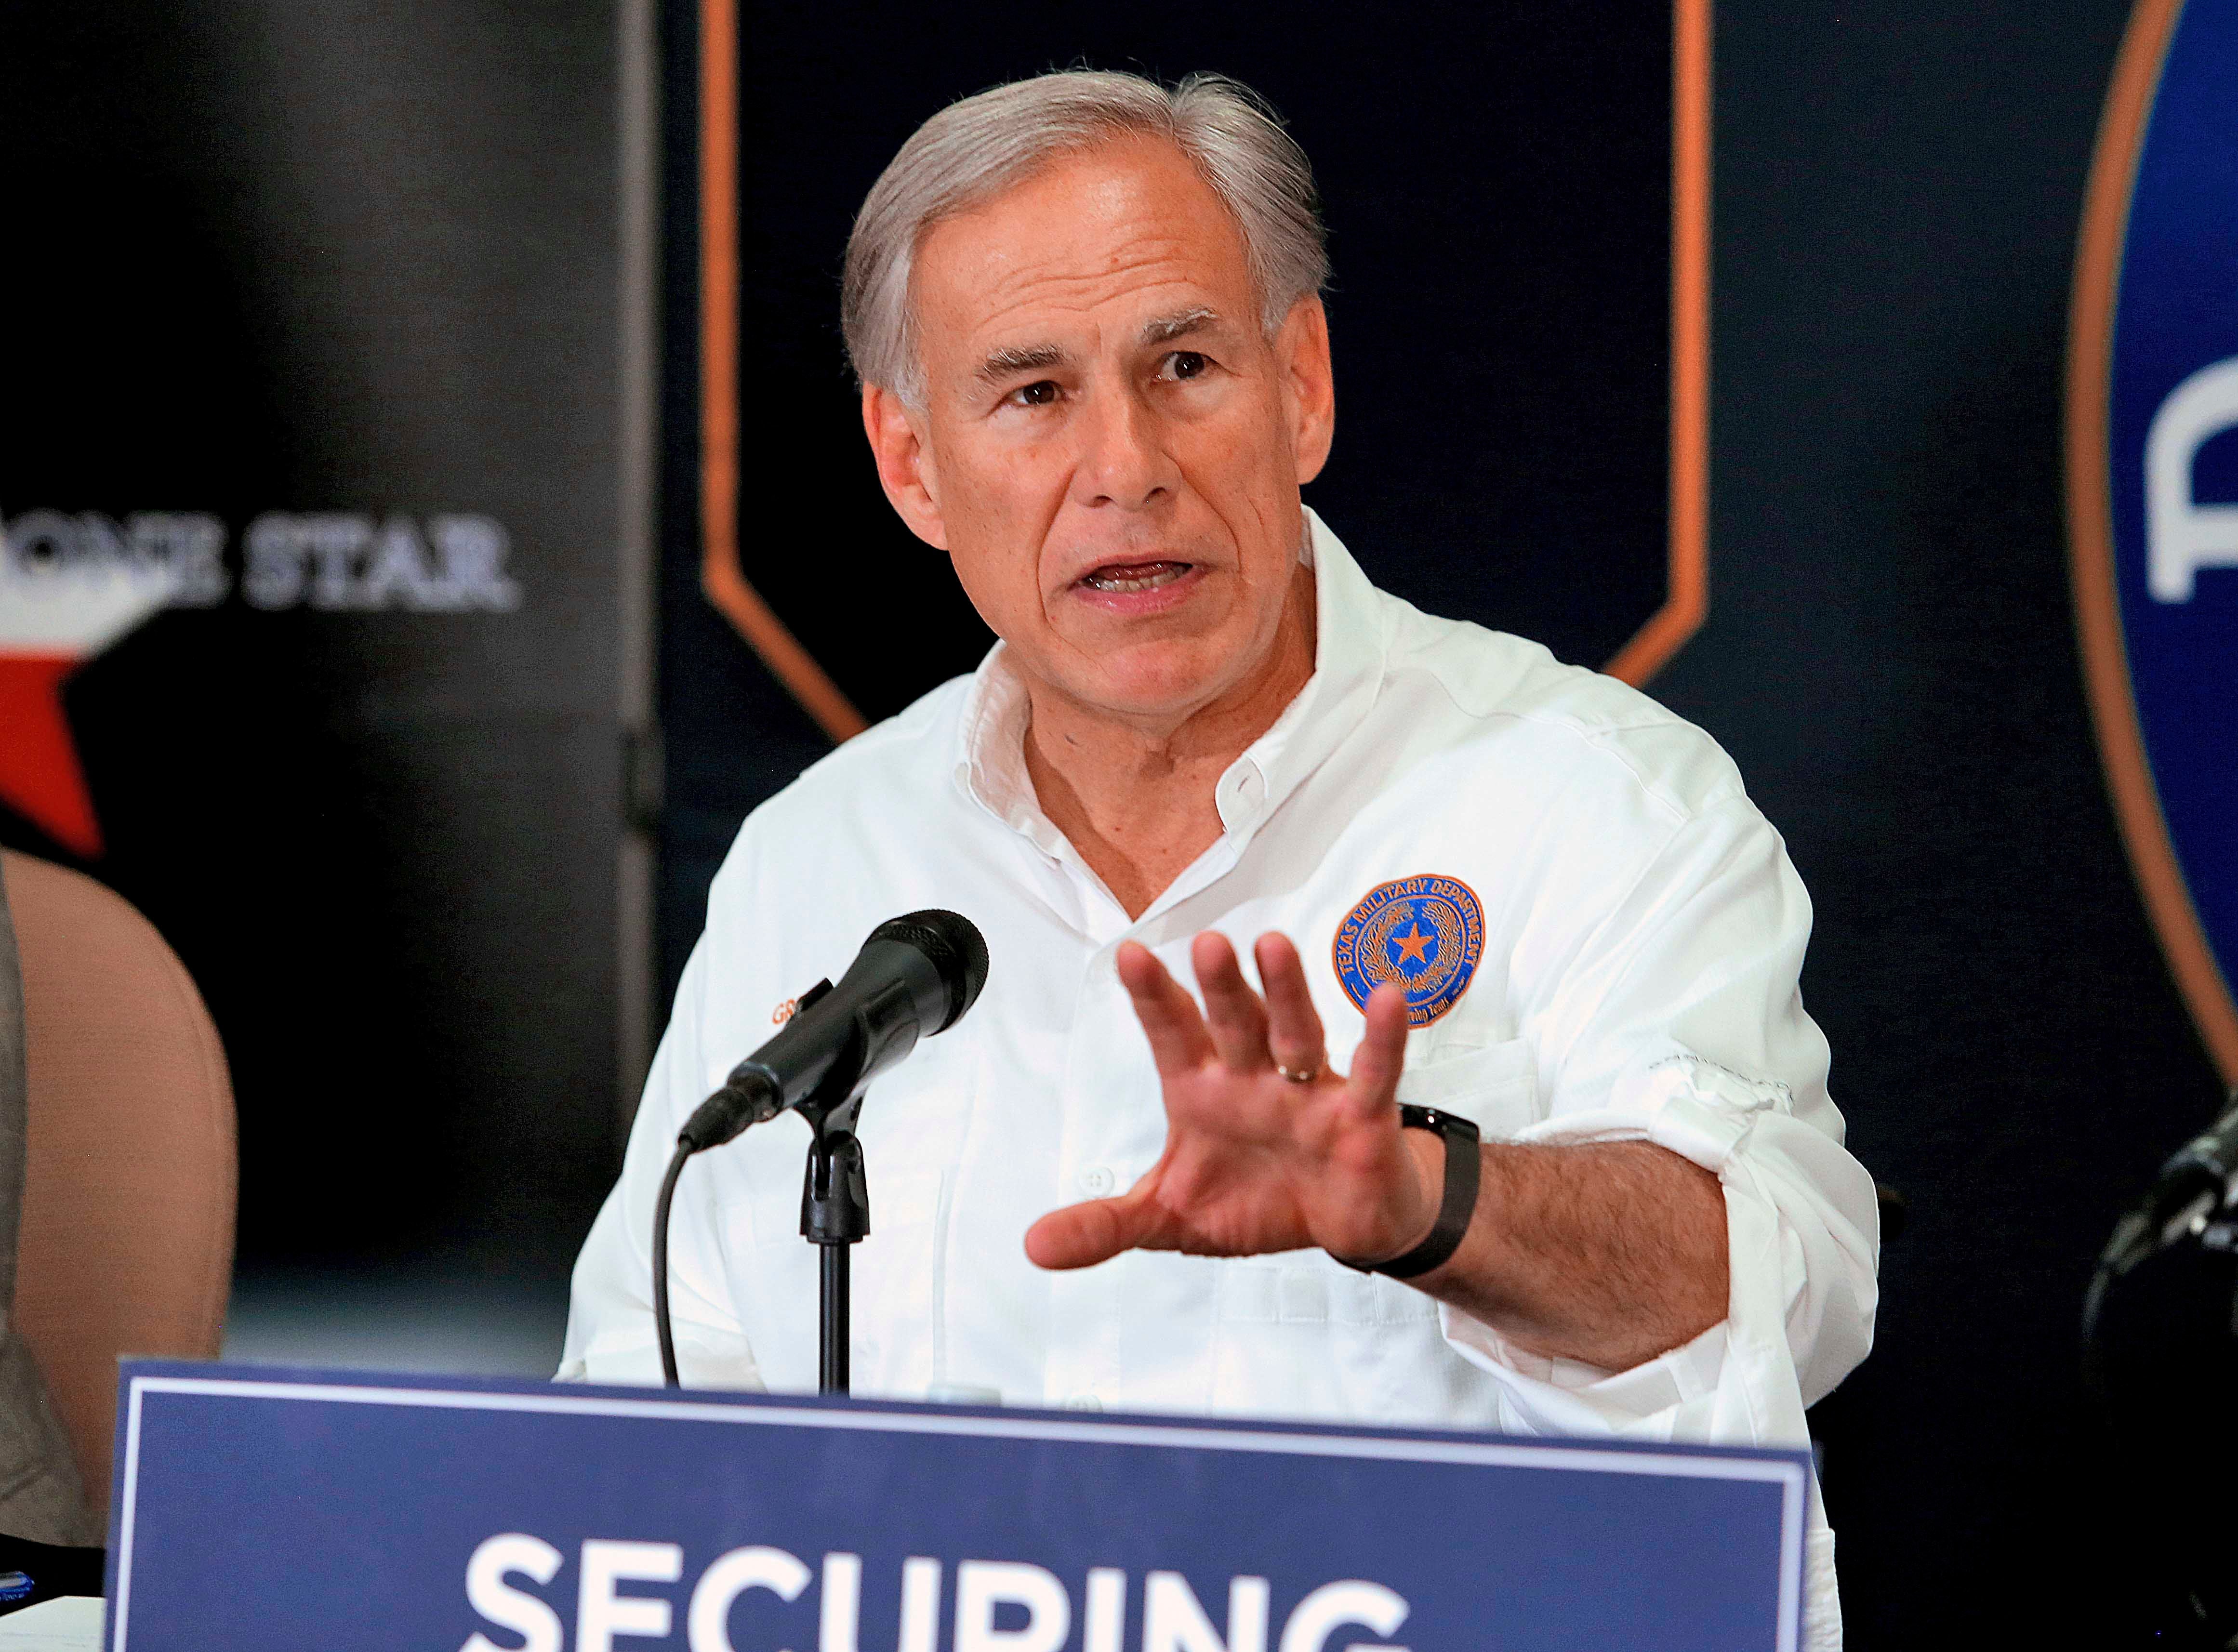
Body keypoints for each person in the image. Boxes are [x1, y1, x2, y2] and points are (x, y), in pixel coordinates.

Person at [562, 69, 1877, 1645]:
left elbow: (1784, 1292)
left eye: (1183, 364)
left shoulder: (1590, 798)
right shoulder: (823, 858)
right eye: (1033, 394)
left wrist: (1427, 1200)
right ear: (912, 465)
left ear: (1302, 382)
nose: (1125, 466)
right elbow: (645, 1446)